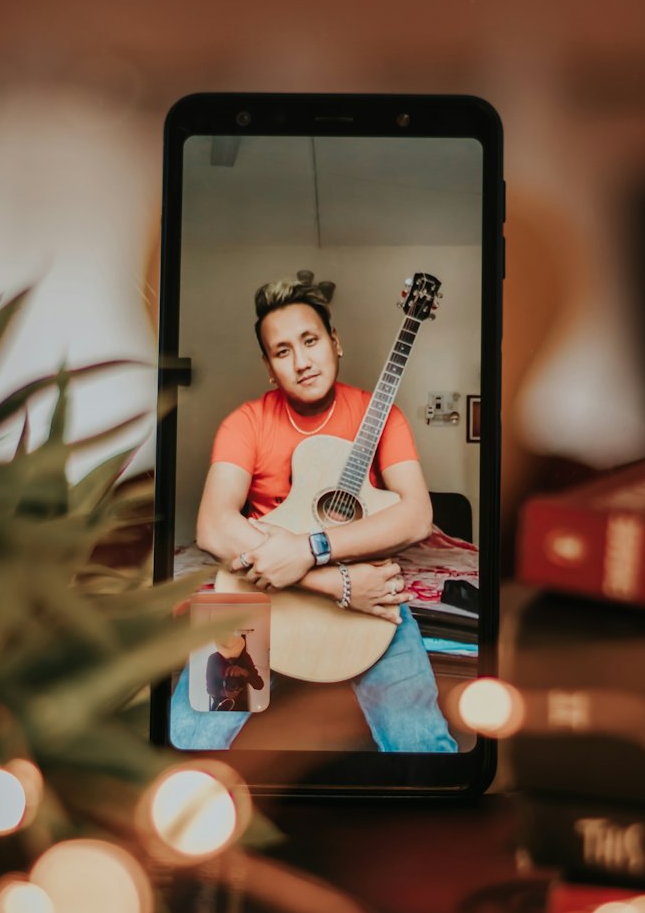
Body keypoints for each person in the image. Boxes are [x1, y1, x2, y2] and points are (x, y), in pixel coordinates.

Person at [169, 276, 456, 752]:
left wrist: (309, 548)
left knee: (421, 743)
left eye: (310, 341)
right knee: (190, 741)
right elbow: (214, 526)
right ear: (268, 366)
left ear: (334, 342)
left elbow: (417, 517)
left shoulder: (382, 415)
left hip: (371, 595)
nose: (301, 362)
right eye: (282, 352)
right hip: (260, 593)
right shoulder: (245, 423)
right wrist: (333, 584)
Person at [205, 631, 264, 712]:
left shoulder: (245, 658)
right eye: (227, 656)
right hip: (219, 706)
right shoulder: (213, 659)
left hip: (242, 706)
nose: (230, 660)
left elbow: (259, 685)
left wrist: (245, 672)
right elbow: (210, 689)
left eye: (234, 656)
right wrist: (224, 693)